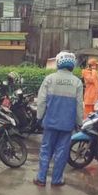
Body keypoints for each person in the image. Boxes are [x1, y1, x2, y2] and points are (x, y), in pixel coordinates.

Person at [34, 51, 84, 187]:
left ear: (58, 63)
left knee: (46, 150)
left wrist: (39, 117)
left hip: (50, 122)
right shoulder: (77, 83)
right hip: (67, 125)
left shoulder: (49, 79)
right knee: (61, 152)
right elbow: (79, 105)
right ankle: (56, 180)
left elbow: (41, 101)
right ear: (72, 64)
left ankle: (41, 179)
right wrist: (80, 122)